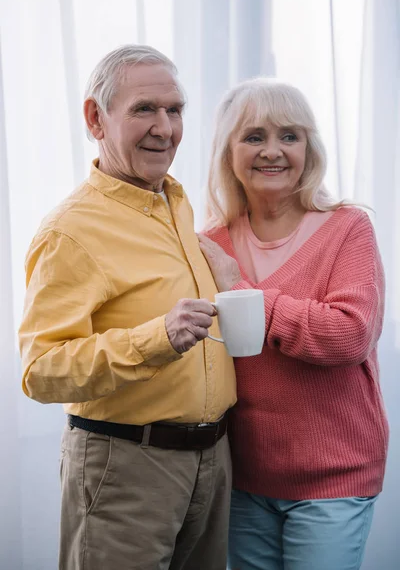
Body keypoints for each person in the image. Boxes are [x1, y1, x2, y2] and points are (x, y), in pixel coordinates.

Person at [18, 44, 236, 570]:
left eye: (175, 110)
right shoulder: (69, 231)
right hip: (127, 467)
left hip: (215, 462)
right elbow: (41, 371)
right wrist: (155, 337)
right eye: (145, 109)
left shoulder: (179, 204)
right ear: (96, 118)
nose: (165, 128)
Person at [198, 77, 389, 570]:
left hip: (332, 479)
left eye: (290, 135)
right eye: (254, 136)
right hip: (243, 477)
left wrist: (243, 294)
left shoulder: (348, 227)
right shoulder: (210, 242)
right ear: (229, 151)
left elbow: (348, 334)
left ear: (309, 147)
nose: (273, 151)